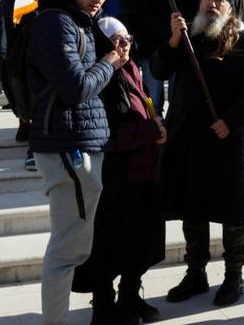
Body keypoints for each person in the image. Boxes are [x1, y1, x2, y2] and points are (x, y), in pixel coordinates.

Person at [27, 0, 128, 325]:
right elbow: (76, 88)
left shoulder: (77, 23)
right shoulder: (56, 23)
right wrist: (111, 61)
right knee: (66, 250)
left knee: (72, 246)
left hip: (79, 143)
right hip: (68, 147)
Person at [154, 0, 244, 308]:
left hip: (223, 140)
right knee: (192, 207)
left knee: (231, 211)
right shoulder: (188, 40)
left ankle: (234, 276)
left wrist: (229, 121)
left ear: (230, 7)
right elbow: (159, 69)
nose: (212, 4)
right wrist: (173, 40)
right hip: (187, 137)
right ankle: (196, 272)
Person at [72, 16, 166, 325]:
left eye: (126, 38)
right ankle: (104, 306)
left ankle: (129, 297)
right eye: (116, 40)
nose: (124, 45)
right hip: (116, 178)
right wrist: (151, 130)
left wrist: (155, 127)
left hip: (143, 174)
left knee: (139, 243)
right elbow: (111, 133)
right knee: (109, 246)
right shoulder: (102, 75)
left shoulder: (132, 69)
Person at [135, 0, 198, 114]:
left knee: (178, 98)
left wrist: (180, 33)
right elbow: (142, 14)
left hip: (180, 49)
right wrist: (168, 33)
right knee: (152, 99)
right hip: (153, 48)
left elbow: (194, 13)